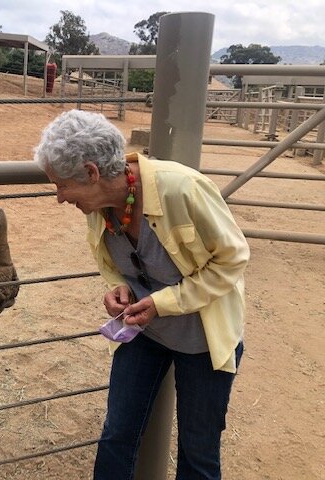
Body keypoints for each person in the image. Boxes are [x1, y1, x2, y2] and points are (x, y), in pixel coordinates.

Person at [33, 109, 249, 480]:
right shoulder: (98, 205)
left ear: (91, 172)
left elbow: (233, 259)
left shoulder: (182, 189)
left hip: (202, 339)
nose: (59, 197)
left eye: (62, 185)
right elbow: (113, 263)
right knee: (117, 435)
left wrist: (162, 303)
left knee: (198, 452)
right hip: (142, 333)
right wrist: (116, 284)